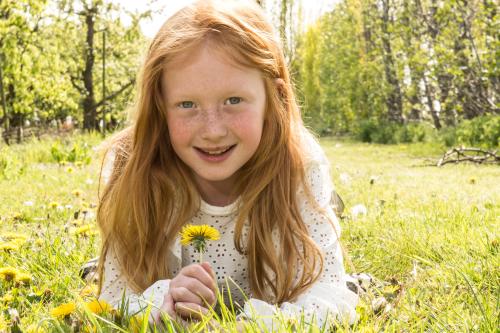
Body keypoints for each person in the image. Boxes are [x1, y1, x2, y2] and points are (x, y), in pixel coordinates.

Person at [96, 0, 358, 329]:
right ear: (161, 106)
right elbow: (111, 300)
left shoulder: (299, 164)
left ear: (273, 99)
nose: (213, 130)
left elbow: (332, 295)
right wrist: (161, 300)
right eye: (187, 104)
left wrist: (258, 323)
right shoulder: (132, 168)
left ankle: (333, 211)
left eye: (233, 101)